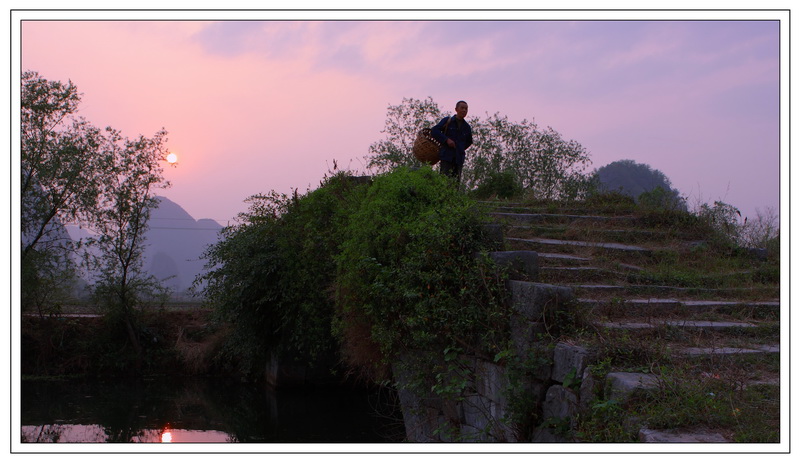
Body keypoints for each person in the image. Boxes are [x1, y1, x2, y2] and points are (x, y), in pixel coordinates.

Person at [431, 100, 473, 184]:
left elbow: (469, 142)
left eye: (466, 109)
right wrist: (446, 140)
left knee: (455, 184)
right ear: (456, 109)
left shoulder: (467, 127)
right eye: (462, 108)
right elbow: (434, 131)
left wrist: (460, 148)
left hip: (459, 160)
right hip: (447, 157)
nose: (464, 110)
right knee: (443, 183)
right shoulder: (448, 121)